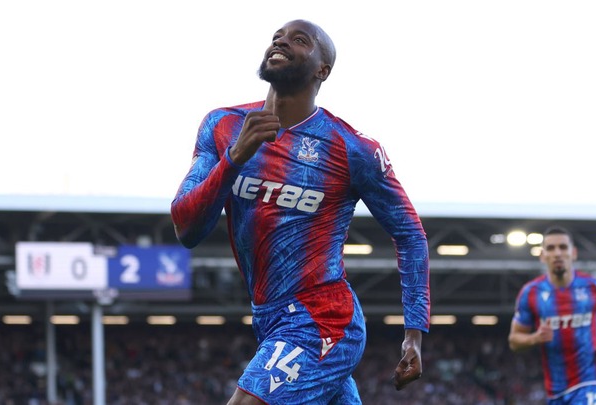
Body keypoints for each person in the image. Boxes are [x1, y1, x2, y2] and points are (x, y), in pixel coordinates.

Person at [171, 19, 430, 405]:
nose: (281, 42)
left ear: (322, 69)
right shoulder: (224, 126)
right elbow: (186, 228)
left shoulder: (352, 148)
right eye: (277, 37)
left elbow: (410, 234)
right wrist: (234, 159)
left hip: (322, 317)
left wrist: (414, 332)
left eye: (299, 40)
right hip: (268, 319)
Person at [508, 226, 596, 405]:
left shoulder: (595, 287)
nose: (557, 253)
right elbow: (514, 340)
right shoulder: (530, 293)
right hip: (556, 391)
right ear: (542, 256)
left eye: (563, 247)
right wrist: (535, 338)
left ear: (573, 253)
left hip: (592, 381)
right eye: (550, 248)